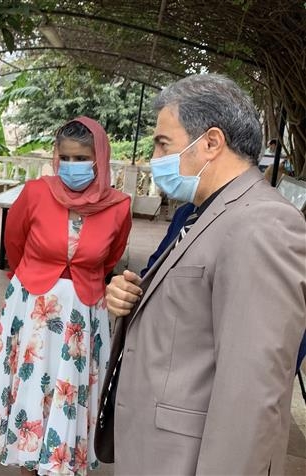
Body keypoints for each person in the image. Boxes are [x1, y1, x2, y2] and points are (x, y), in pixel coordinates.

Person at [103, 74, 306, 474]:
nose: (154, 156)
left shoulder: (262, 225)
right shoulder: (206, 212)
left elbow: (251, 393)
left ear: (211, 143)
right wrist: (133, 296)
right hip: (159, 449)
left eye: (164, 143)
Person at [0, 116, 132, 474]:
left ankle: (58, 458)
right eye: (67, 159)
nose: (73, 167)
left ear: (100, 158)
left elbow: (109, 258)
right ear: (57, 157)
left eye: (82, 159)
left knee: (66, 391)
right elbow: (13, 244)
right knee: (31, 387)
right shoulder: (35, 192)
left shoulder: (119, 206)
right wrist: (32, 281)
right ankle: (29, 456)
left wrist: (79, 280)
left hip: (83, 311)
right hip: (32, 308)